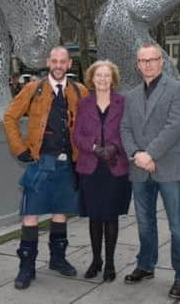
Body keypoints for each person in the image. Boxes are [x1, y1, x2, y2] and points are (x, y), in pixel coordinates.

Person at [4, 46, 89, 290]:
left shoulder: (79, 90)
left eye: (63, 61)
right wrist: (19, 148)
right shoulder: (33, 89)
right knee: (31, 215)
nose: (59, 65)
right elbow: (10, 116)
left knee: (61, 212)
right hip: (41, 162)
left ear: (69, 63)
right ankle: (26, 267)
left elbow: (89, 122)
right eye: (55, 61)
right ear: (48, 62)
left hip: (67, 164)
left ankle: (58, 259)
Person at [120, 42, 180, 300]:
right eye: (143, 61)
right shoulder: (130, 95)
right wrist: (136, 156)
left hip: (170, 167)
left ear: (161, 62)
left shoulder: (176, 89)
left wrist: (149, 154)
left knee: (178, 226)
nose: (148, 64)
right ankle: (145, 264)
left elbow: (174, 127)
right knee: (144, 223)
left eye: (152, 59)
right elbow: (125, 129)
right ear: (138, 65)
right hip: (140, 170)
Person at [73, 60, 131, 282]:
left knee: (111, 216)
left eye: (107, 76)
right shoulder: (84, 104)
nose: (103, 79)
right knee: (95, 217)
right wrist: (95, 148)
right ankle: (96, 260)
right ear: (92, 78)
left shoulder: (123, 103)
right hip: (91, 167)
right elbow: (77, 135)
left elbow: (129, 131)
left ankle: (110, 263)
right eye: (99, 75)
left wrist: (114, 147)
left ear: (113, 79)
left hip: (115, 167)